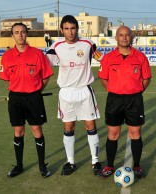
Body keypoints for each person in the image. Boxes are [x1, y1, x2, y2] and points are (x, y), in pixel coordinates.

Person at [46, 15, 103, 176]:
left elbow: (102, 59)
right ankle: (70, 162)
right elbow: (45, 66)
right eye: (66, 29)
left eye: (73, 28)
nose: (70, 32)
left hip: (85, 90)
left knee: (90, 126)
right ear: (61, 30)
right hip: (66, 92)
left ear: (77, 29)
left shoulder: (88, 44)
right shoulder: (55, 47)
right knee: (68, 127)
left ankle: (95, 161)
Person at [0, 22, 53, 178]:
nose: (20, 35)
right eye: (16, 32)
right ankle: (19, 166)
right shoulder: (7, 56)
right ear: (12, 35)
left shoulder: (37, 54)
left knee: (36, 130)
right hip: (15, 98)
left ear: (26, 34)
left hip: (33, 97)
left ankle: (42, 166)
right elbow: (8, 79)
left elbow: (46, 76)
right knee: (18, 131)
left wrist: (35, 91)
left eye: (22, 32)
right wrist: (18, 88)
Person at [98, 26, 151, 179]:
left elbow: (146, 78)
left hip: (134, 99)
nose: (124, 37)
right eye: (121, 35)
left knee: (135, 133)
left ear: (132, 37)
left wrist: (138, 91)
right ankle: (109, 165)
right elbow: (103, 77)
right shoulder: (108, 58)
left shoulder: (140, 57)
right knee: (113, 133)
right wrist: (114, 89)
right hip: (114, 100)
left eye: (127, 35)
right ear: (116, 37)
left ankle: (136, 166)